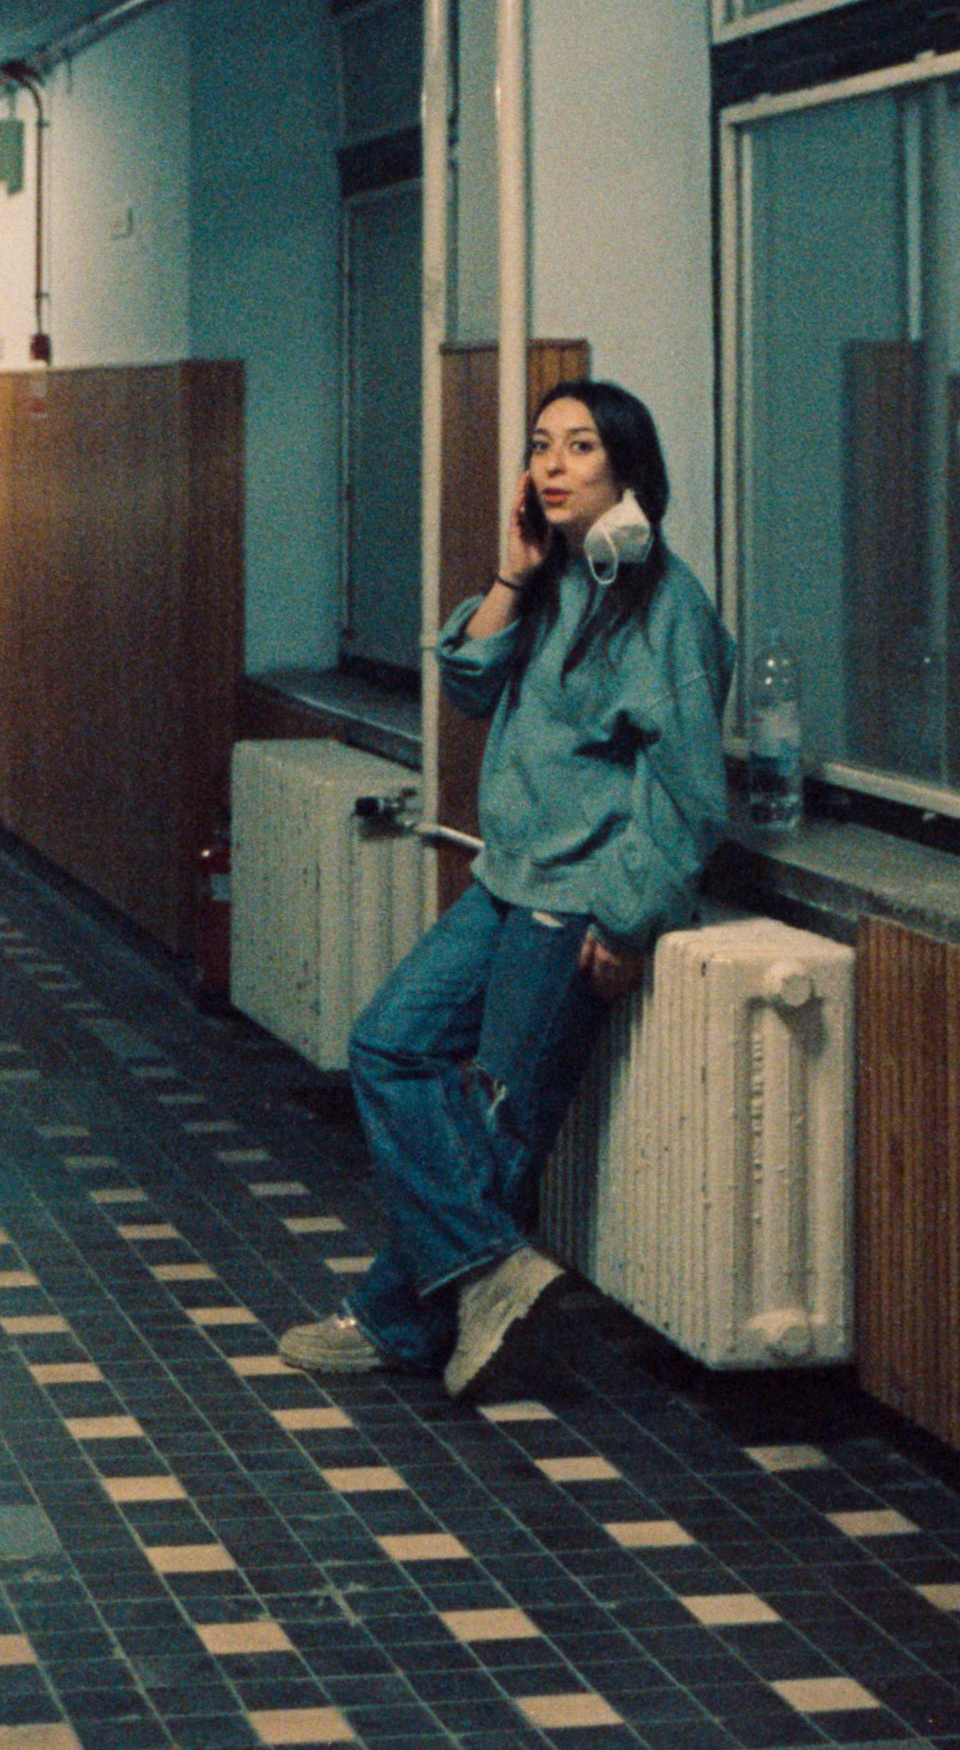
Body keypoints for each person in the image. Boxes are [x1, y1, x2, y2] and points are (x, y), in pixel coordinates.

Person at [276, 379, 734, 1398]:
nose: (552, 465)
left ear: (628, 469)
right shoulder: (556, 580)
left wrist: (628, 918)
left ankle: (396, 1320)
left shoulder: (665, 607)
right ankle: (488, 1268)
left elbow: (692, 790)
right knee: (387, 1043)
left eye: (580, 446)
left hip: (577, 896)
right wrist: (511, 576)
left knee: (500, 1117)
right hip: (506, 879)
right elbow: (469, 684)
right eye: (540, 445)